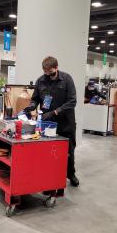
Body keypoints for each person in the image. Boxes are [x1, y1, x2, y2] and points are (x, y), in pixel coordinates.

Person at [25, 56, 79, 187]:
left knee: (68, 151)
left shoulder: (67, 79)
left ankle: (70, 174)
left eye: (51, 73)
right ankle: (50, 176)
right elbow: (36, 98)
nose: (49, 76)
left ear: (56, 68)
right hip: (47, 123)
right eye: (46, 73)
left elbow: (72, 101)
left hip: (66, 122)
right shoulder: (40, 81)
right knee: (48, 151)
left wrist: (55, 112)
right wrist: (32, 105)